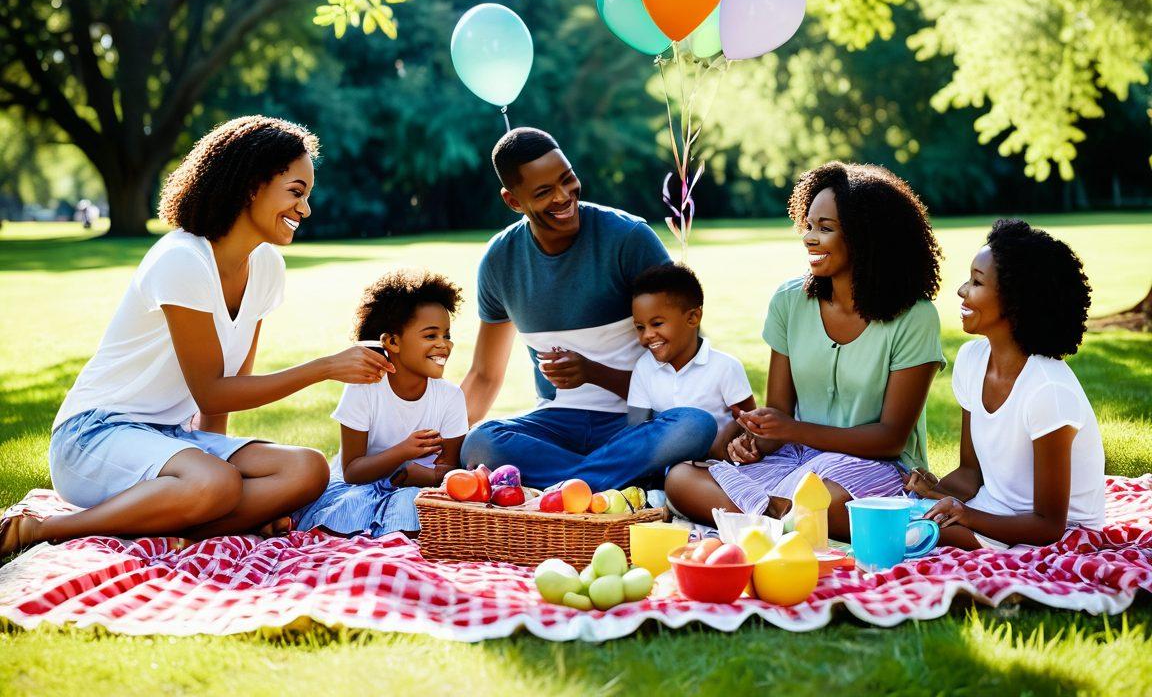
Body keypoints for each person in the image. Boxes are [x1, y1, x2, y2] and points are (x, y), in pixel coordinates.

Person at [0, 116, 392, 557]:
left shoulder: (266, 269)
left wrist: (217, 450)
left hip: (172, 438)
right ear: (250, 186)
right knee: (214, 483)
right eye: (296, 193)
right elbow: (212, 392)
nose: (305, 209)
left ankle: (187, 517)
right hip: (94, 436)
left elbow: (226, 395)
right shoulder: (182, 259)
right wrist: (325, 368)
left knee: (307, 470)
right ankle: (46, 529)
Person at [665, 161, 946, 538]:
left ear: (866, 237)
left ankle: (763, 517)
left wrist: (792, 429)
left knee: (831, 503)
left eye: (825, 228)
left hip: (874, 465)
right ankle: (787, 520)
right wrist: (756, 442)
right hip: (794, 459)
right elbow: (779, 413)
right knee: (681, 478)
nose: (810, 238)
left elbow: (891, 438)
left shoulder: (915, 317)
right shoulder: (789, 301)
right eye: (808, 226)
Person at [459, 127, 716, 491]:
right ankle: (615, 481)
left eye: (567, 179)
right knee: (480, 442)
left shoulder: (628, 239)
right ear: (514, 201)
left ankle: (569, 488)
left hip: (635, 421)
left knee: (695, 425)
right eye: (544, 191)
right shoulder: (501, 261)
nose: (564, 197)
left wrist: (594, 372)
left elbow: (686, 365)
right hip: (556, 424)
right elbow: (484, 376)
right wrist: (439, 447)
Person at [905, 220, 1105, 549]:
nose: (962, 290)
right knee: (892, 514)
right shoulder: (971, 359)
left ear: (1014, 301)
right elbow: (971, 473)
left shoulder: (1048, 391)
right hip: (993, 508)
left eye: (977, 282)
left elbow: (1049, 525)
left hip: (1055, 531)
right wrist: (935, 491)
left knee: (902, 533)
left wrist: (965, 516)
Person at [296, 269, 468, 538]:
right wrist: (403, 452)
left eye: (446, 335)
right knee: (350, 509)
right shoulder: (364, 389)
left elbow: (449, 472)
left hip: (417, 489)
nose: (444, 345)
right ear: (392, 342)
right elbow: (352, 471)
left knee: (410, 509)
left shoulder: (450, 397)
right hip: (359, 486)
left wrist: (420, 475)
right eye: (431, 336)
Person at [628, 262, 756, 459]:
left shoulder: (725, 366)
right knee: (623, 445)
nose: (647, 335)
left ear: (693, 317)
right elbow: (635, 430)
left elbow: (750, 424)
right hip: (656, 460)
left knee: (696, 422)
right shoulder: (644, 367)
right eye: (640, 327)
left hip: (709, 464)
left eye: (657, 324)